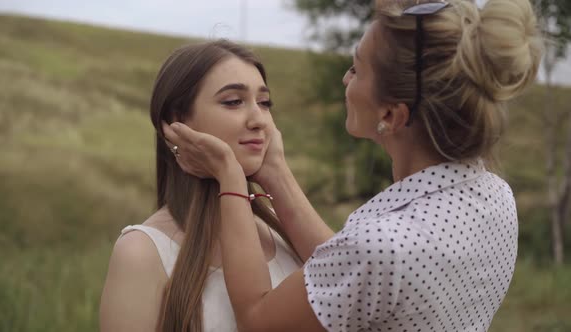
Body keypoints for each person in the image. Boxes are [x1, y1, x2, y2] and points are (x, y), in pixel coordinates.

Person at [162, 0, 543, 331]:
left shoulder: (384, 246)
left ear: (392, 115)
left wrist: (229, 176)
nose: (345, 78)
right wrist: (275, 172)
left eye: (357, 70)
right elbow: (356, 277)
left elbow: (258, 319)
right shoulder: (494, 195)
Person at [99, 40, 302, 332]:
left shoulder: (284, 235)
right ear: (177, 121)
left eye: (265, 102)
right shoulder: (142, 252)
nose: (259, 120)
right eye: (233, 101)